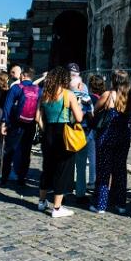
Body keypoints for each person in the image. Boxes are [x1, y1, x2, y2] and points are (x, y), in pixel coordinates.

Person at [35, 66, 83, 218]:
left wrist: (45, 129)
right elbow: (79, 117)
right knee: (62, 170)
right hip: (63, 133)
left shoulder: (44, 94)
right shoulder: (68, 94)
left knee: (47, 168)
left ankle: (41, 202)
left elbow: (37, 117)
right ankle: (57, 208)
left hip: (48, 131)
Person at [90, 70, 131, 214]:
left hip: (108, 135)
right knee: (120, 170)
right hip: (124, 135)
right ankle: (120, 204)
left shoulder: (109, 95)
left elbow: (94, 111)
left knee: (104, 170)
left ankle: (101, 204)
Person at [0, 66, 41, 186]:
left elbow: (7, 106)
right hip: (31, 124)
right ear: (32, 77)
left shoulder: (16, 88)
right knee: (26, 152)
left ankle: (4, 179)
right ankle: (22, 178)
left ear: (23, 76)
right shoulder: (38, 90)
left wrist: (4, 122)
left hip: (15, 123)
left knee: (9, 151)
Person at [69, 74, 93, 204]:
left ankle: (66, 190)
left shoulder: (65, 96)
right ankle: (80, 192)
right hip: (82, 132)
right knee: (81, 165)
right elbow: (91, 114)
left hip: (67, 132)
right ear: (79, 85)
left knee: (68, 163)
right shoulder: (85, 97)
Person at [86, 75, 106, 189]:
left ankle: (93, 180)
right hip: (102, 128)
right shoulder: (104, 97)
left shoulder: (90, 98)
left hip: (92, 129)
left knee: (92, 156)